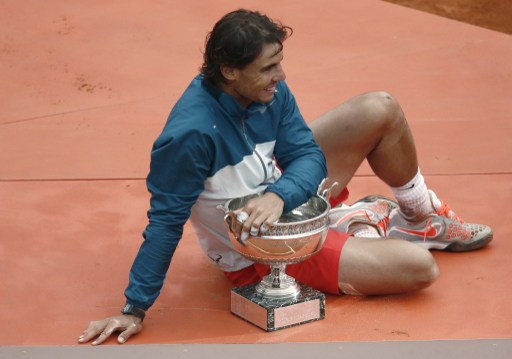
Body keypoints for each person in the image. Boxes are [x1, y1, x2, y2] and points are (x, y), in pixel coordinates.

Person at [78, 9, 492, 345]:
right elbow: (165, 223)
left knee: (379, 107)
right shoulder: (190, 136)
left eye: (280, 62)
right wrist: (133, 307)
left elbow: (307, 155)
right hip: (258, 253)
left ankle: (420, 216)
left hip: (286, 197)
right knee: (420, 269)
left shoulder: (267, 91)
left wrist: (279, 194)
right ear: (229, 71)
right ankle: (359, 225)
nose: (281, 76)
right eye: (269, 67)